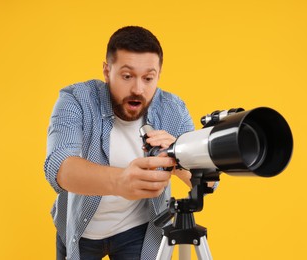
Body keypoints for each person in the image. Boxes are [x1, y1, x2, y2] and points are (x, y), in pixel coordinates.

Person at [44, 26, 197, 260]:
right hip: (78, 227)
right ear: (107, 71)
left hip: (137, 230)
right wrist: (121, 181)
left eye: (148, 78)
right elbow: (59, 167)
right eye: (127, 76)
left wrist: (179, 156)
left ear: (159, 74)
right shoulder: (76, 99)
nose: (138, 89)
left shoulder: (173, 109)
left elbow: (207, 181)